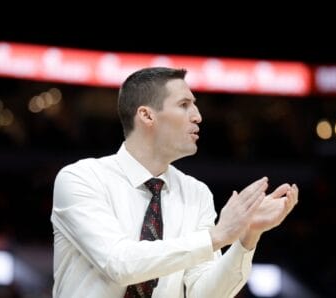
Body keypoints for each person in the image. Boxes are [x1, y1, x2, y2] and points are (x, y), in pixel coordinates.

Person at [51, 67, 298, 298]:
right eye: (184, 105)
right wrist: (215, 236)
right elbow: (119, 263)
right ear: (147, 115)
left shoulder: (197, 193)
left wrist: (248, 236)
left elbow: (203, 293)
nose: (198, 116)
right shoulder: (81, 178)